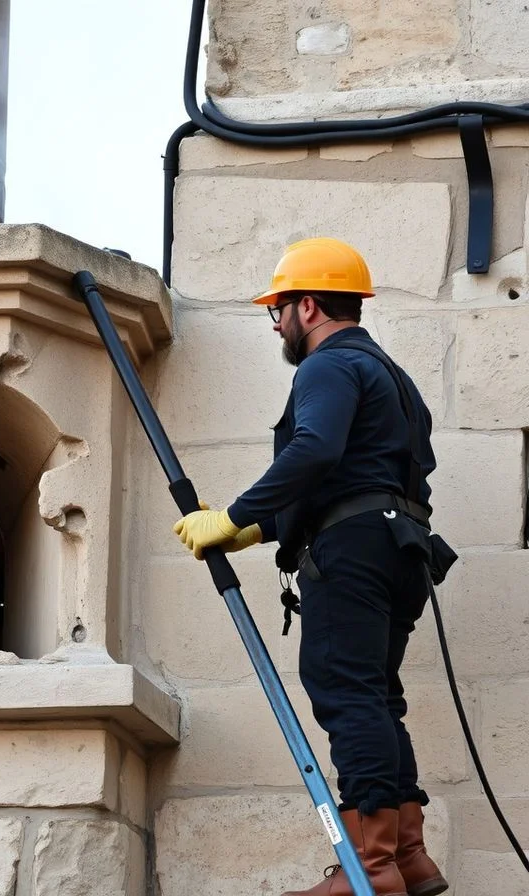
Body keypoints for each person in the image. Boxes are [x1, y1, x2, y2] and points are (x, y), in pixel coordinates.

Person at [173, 238, 448, 896]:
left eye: (279, 311)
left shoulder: (327, 367)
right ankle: (409, 858)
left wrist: (235, 513)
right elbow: (357, 475)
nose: (276, 325)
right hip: (398, 548)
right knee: (375, 698)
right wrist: (258, 533)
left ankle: (371, 869)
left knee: (345, 693)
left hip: (352, 551)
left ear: (309, 306)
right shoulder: (390, 376)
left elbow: (316, 450)